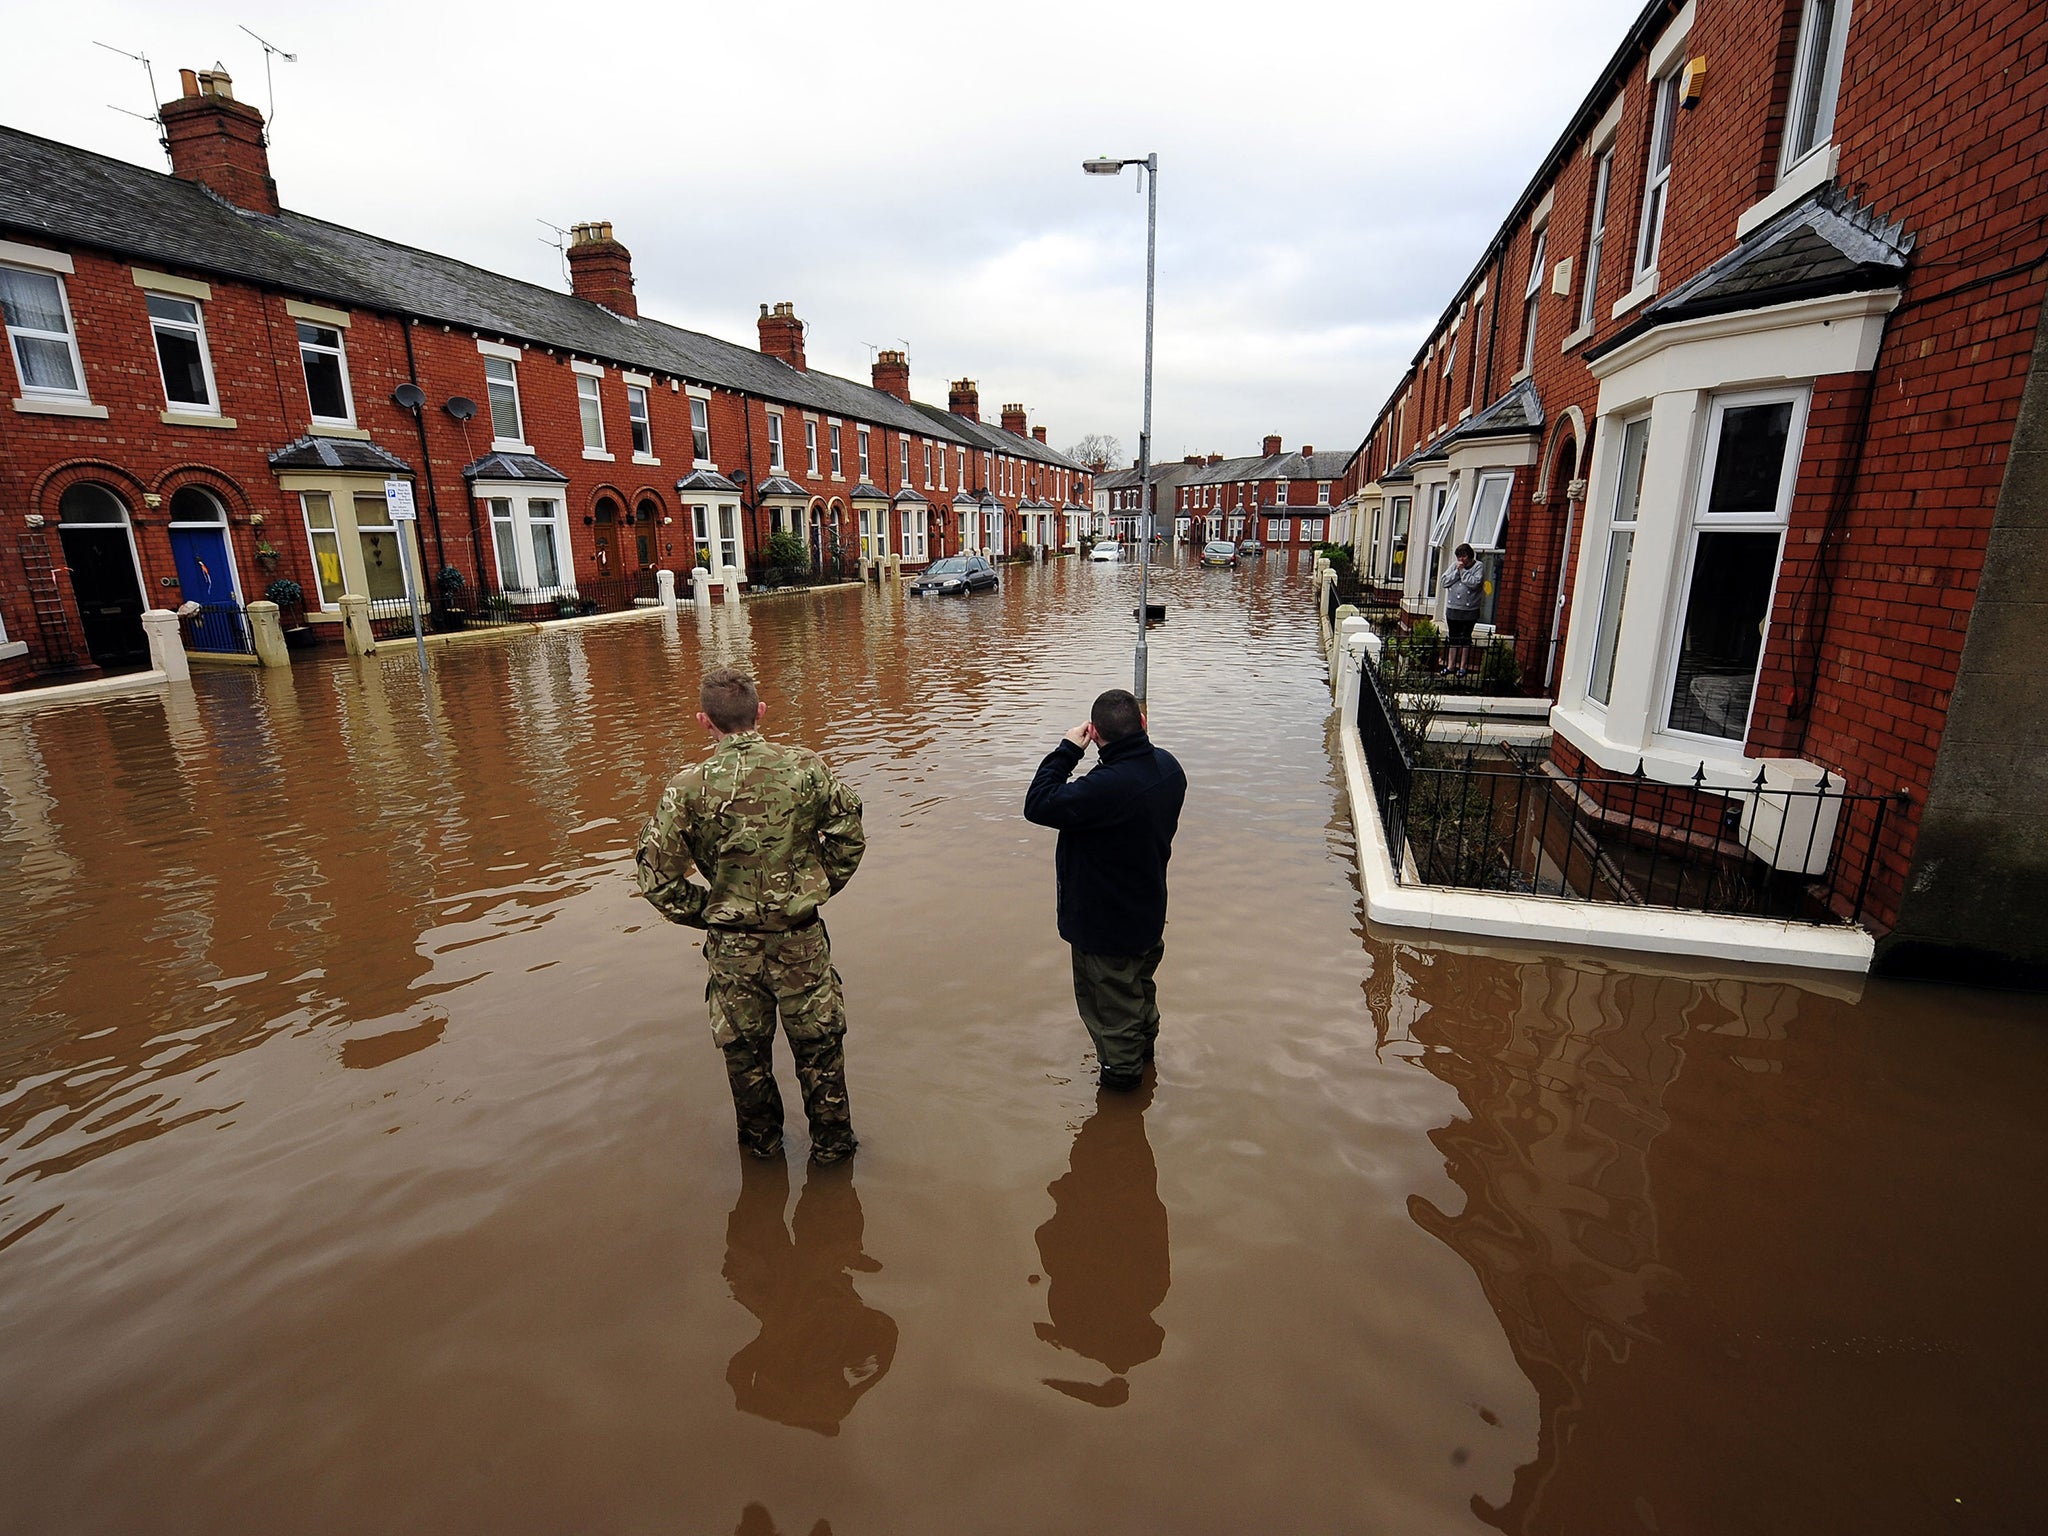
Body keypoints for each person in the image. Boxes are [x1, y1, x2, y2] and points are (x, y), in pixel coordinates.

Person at [637, 668, 867, 1163]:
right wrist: (818, 886)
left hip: (733, 951)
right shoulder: (805, 768)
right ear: (760, 712)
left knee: (745, 1059)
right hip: (800, 939)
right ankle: (833, 1156)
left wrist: (713, 913)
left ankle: (763, 1158)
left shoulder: (686, 788)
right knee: (820, 1051)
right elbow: (849, 835)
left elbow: (656, 879)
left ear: (704, 722)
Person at [1023, 689, 1187, 1091]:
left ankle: (1122, 1089)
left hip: (1105, 929)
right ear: (1143, 724)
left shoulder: (1105, 789)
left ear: (1094, 733)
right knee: (1140, 995)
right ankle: (1146, 1061)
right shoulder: (1169, 768)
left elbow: (1038, 803)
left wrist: (1066, 750)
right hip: (1146, 913)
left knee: (1110, 1012)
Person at [1442, 541, 1487, 678]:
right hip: (1453, 609)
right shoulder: (1454, 566)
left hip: (1469, 611)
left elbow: (1474, 583)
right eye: (1458, 557)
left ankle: (1462, 667)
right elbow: (1444, 581)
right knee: (1453, 638)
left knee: (1465, 639)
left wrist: (1462, 571)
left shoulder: (1478, 566)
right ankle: (1450, 666)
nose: (1460, 560)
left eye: (1463, 557)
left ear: (1470, 556)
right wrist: (1457, 572)